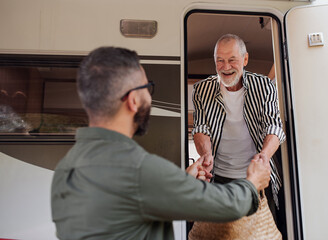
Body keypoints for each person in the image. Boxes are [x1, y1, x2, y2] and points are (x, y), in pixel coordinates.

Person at [51, 46, 272, 240]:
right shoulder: (138, 169)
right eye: (147, 87)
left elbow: (129, 206)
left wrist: (183, 180)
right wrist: (253, 182)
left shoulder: (65, 168)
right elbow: (228, 206)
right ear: (133, 100)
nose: (149, 96)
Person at [191, 34, 286, 228]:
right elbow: (201, 128)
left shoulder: (264, 86)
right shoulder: (202, 89)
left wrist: (264, 156)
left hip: (255, 175)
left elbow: (273, 126)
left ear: (245, 59)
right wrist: (206, 154)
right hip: (219, 177)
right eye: (220, 61)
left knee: (261, 231)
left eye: (232, 60)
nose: (226, 67)